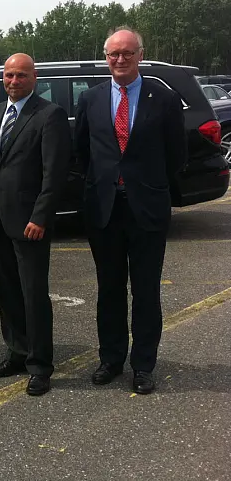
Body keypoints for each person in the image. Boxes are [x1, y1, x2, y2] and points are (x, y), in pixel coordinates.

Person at [75, 27, 187, 395]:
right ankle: (111, 359)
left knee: (145, 289)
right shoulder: (90, 99)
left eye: (127, 53)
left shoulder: (164, 98)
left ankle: (143, 365)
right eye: (113, 54)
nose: (120, 60)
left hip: (147, 209)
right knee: (108, 288)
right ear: (105, 57)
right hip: (104, 209)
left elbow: (176, 155)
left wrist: (147, 185)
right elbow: (82, 155)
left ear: (140, 54)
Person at [0, 54, 71, 396]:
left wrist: (41, 216)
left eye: (21, 75)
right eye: (9, 75)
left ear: (34, 77)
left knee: (33, 295)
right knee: (6, 292)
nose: (14, 81)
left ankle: (40, 364)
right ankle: (16, 351)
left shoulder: (49, 115)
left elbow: (54, 172)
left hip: (29, 222)